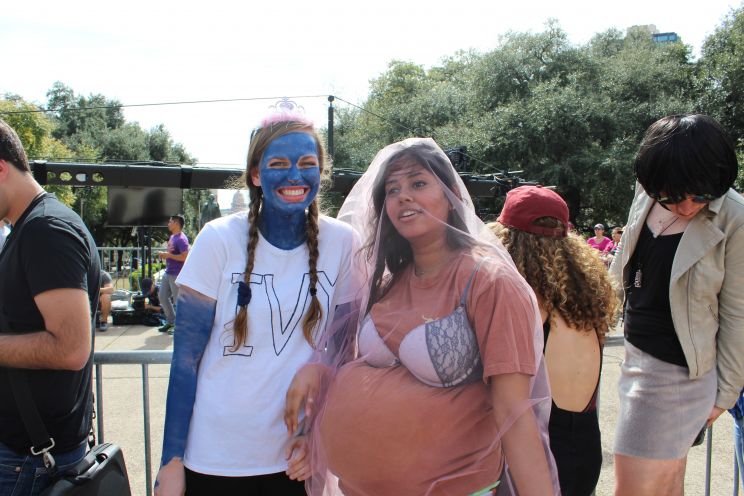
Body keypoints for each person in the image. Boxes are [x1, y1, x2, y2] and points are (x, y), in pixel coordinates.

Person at [287, 138, 559, 496]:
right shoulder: (386, 281)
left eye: (417, 183)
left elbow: (514, 413)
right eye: (392, 189)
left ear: (451, 196)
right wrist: (319, 386)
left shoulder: (490, 282)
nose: (403, 196)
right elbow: (362, 371)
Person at [154, 105, 358, 495]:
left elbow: (345, 352)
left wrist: (318, 435)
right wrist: (171, 462)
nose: (295, 175)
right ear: (256, 174)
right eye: (279, 163)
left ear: (321, 172)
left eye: (307, 164)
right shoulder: (217, 239)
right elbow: (185, 362)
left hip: (295, 461)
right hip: (213, 459)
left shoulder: (342, 243)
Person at [610, 114, 744, 496]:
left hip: (678, 374)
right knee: (667, 488)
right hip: (635, 357)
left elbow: (738, 313)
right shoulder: (647, 188)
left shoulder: (735, 216)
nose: (686, 207)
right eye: (671, 197)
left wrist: (724, 396)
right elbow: (626, 256)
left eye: (700, 196)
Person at [491, 185, 618, 496]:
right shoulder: (584, 296)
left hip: (541, 454)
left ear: (506, 240)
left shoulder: (527, 300)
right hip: (585, 449)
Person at [0, 118, 100, 495]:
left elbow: (70, 348)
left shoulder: (46, 231)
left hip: (27, 461)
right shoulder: (30, 228)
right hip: (26, 455)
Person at [157, 214, 189, 334]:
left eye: (170, 222)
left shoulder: (182, 239)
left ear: (176, 223)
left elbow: (185, 257)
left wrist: (168, 255)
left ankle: (179, 327)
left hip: (177, 274)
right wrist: (165, 255)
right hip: (168, 272)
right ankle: (171, 322)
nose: (168, 224)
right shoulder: (172, 237)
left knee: (178, 302)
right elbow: (172, 254)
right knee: (162, 296)